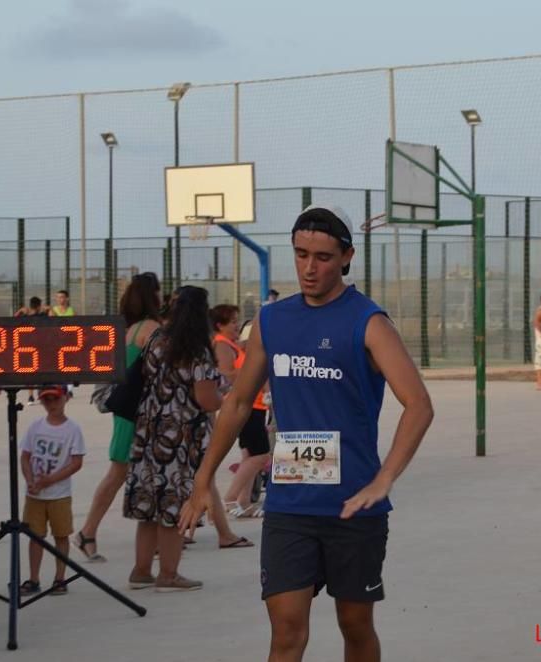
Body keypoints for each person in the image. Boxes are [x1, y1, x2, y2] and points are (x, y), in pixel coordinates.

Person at [179, 205, 434, 661]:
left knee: (355, 626)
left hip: (354, 506)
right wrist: (203, 479)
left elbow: (418, 405)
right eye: (300, 255)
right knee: (287, 632)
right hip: (290, 504)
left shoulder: (369, 322)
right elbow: (238, 402)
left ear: (346, 257)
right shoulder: (273, 321)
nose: (309, 268)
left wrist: (385, 478)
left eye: (322, 257)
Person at [124, 286, 252, 594]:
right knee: (173, 508)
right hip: (179, 440)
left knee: (149, 507)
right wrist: (227, 397)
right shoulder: (195, 350)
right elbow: (206, 399)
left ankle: (141, 571)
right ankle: (168, 574)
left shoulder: (155, 340)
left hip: (148, 433)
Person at [73, 273, 162, 563]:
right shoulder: (150, 329)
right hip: (136, 412)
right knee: (120, 473)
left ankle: (90, 532)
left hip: (126, 410)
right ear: (153, 296)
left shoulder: (127, 328)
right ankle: (87, 531)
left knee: (122, 473)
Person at [20, 385, 86, 596]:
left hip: (59, 494)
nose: (51, 404)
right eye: (46, 400)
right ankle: (33, 577)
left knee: (61, 535)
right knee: (35, 536)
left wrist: (50, 480)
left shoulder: (72, 429)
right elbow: (25, 456)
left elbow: (76, 462)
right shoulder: (35, 426)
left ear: (65, 398)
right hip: (35, 494)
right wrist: (30, 479)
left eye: (55, 399)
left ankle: (60, 577)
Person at [212, 304, 269, 518]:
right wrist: (251, 369)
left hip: (256, 404)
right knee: (261, 454)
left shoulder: (232, 345)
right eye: (233, 322)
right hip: (247, 405)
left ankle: (244, 501)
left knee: (249, 454)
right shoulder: (222, 346)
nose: (237, 325)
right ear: (220, 325)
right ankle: (230, 497)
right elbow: (225, 374)